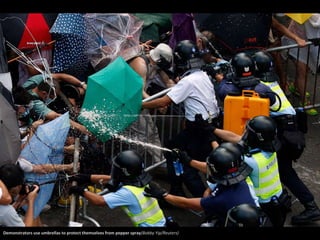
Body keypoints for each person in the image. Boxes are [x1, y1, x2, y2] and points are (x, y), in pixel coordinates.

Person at [142, 39, 221, 197]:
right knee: (173, 150)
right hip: (205, 125)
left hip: (199, 129)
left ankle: (204, 203)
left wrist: (141, 105)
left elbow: (165, 101)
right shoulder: (202, 75)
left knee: (188, 169)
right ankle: (177, 189)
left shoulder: (188, 81)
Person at [252, 50, 320, 225]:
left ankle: (311, 207)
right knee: (280, 169)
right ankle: (283, 199)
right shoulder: (271, 81)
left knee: (284, 171)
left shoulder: (261, 87)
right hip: (289, 130)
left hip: (285, 134)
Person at [143, 142, 260, 227]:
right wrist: (187, 160)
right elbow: (213, 169)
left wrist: (163, 194)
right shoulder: (241, 178)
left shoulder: (222, 199)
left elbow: (187, 203)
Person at [68, 150, 168, 227]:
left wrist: (81, 190)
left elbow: (99, 201)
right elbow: (111, 179)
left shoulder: (127, 193)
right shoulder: (143, 181)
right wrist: (87, 177)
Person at [20, 75, 90, 135]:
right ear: (44, 93)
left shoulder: (36, 80)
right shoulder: (35, 103)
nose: (52, 99)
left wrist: (82, 84)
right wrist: (80, 127)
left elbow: (61, 76)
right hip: (26, 123)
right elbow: (56, 117)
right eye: (50, 97)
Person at [281, 13, 320, 116]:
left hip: (308, 43)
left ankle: (296, 86)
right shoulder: (302, 15)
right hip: (296, 42)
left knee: (306, 70)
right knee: (302, 71)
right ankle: (304, 102)